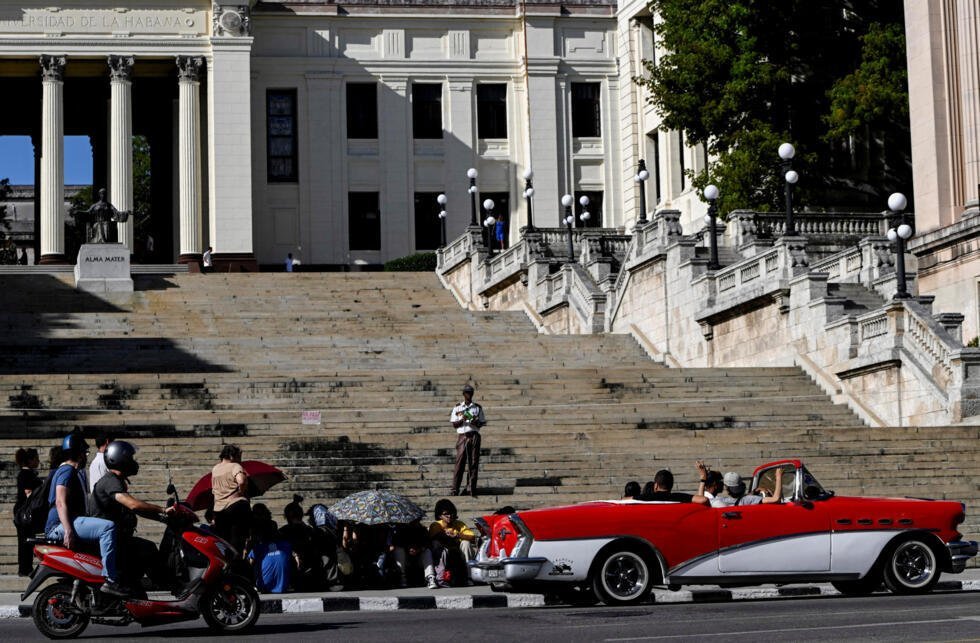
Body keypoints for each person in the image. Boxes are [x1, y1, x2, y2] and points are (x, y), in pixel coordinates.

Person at [44, 431, 126, 597]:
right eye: (85, 453)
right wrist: (68, 530)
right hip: (58, 525)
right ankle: (110, 579)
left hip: (68, 521)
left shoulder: (70, 471)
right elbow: (60, 502)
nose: (86, 457)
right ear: (79, 454)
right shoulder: (67, 471)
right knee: (107, 528)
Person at [89, 441, 172, 591]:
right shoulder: (110, 481)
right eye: (131, 459)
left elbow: (135, 510)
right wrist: (162, 509)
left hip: (116, 538)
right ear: (120, 460)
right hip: (110, 541)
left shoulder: (115, 481)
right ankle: (171, 586)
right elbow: (132, 504)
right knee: (148, 548)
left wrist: (162, 518)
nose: (134, 462)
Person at [211, 444, 250, 561]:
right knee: (238, 541)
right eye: (239, 456)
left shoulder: (215, 469)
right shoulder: (235, 466)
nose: (240, 460)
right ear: (232, 456)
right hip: (236, 505)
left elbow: (214, 491)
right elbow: (241, 481)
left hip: (219, 510)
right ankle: (238, 564)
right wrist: (241, 492)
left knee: (224, 542)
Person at [278, 495, 322, 591]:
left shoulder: (282, 531)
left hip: (293, 567)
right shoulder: (309, 530)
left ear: (286, 516)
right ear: (301, 515)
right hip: (308, 567)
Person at [429, 499, 476, 587]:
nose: (449, 516)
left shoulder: (459, 524)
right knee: (436, 543)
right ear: (440, 516)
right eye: (446, 514)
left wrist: (458, 535)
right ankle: (440, 577)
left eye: (451, 513)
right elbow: (434, 537)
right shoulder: (435, 525)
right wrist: (446, 535)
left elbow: (472, 537)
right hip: (444, 554)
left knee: (466, 543)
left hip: (459, 554)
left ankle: (469, 577)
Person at [450, 383, 485, 497]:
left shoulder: (477, 408)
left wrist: (475, 422)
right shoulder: (458, 407)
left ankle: (471, 488)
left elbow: (482, 423)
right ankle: (455, 489)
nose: (468, 395)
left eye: (470, 393)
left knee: (473, 463)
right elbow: (454, 424)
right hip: (463, 436)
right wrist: (462, 420)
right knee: (459, 463)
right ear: (463, 394)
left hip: (474, 434)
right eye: (467, 393)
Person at [248, 506, 292, 593]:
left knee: (253, 561)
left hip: (263, 588)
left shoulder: (258, 548)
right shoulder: (286, 546)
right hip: (283, 588)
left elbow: (249, 565)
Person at [14, 448, 41, 576]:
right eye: (36, 458)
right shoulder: (27, 474)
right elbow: (28, 493)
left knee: (23, 541)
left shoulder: (24, 474)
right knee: (26, 541)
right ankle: (25, 568)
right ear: (30, 460)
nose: (38, 461)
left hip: (21, 511)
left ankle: (24, 568)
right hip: (25, 512)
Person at [392, 519, 437, 589]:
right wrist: (408, 549)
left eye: (416, 520)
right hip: (405, 559)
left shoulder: (422, 530)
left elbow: (428, 544)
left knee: (427, 551)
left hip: (419, 559)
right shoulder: (400, 530)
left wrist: (419, 549)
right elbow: (396, 543)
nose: (414, 522)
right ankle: (402, 577)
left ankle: (430, 578)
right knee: (398, 550)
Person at [711, 469, 784, 507]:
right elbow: (776, 499)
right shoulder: (749, 499)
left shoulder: (723, 500)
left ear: (727, 489)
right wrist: (778, 476)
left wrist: (754, 491)